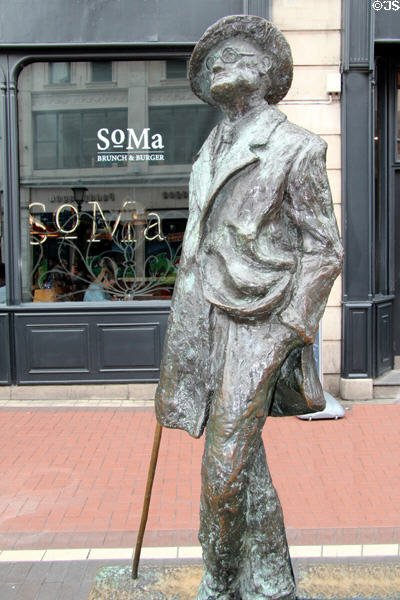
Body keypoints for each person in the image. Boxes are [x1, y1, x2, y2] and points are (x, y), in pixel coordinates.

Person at [155, 15, 343, 600]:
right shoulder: (209, 147)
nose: (216, 66)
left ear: (267, 72)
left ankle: (220, 580)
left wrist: (290, 325)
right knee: (240, 457)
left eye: (231, 56)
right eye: (210, 62)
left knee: (224, 466)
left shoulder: (296, 148)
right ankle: (268, 581)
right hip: (200, 319)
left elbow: (326, 249)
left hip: (258, 320)